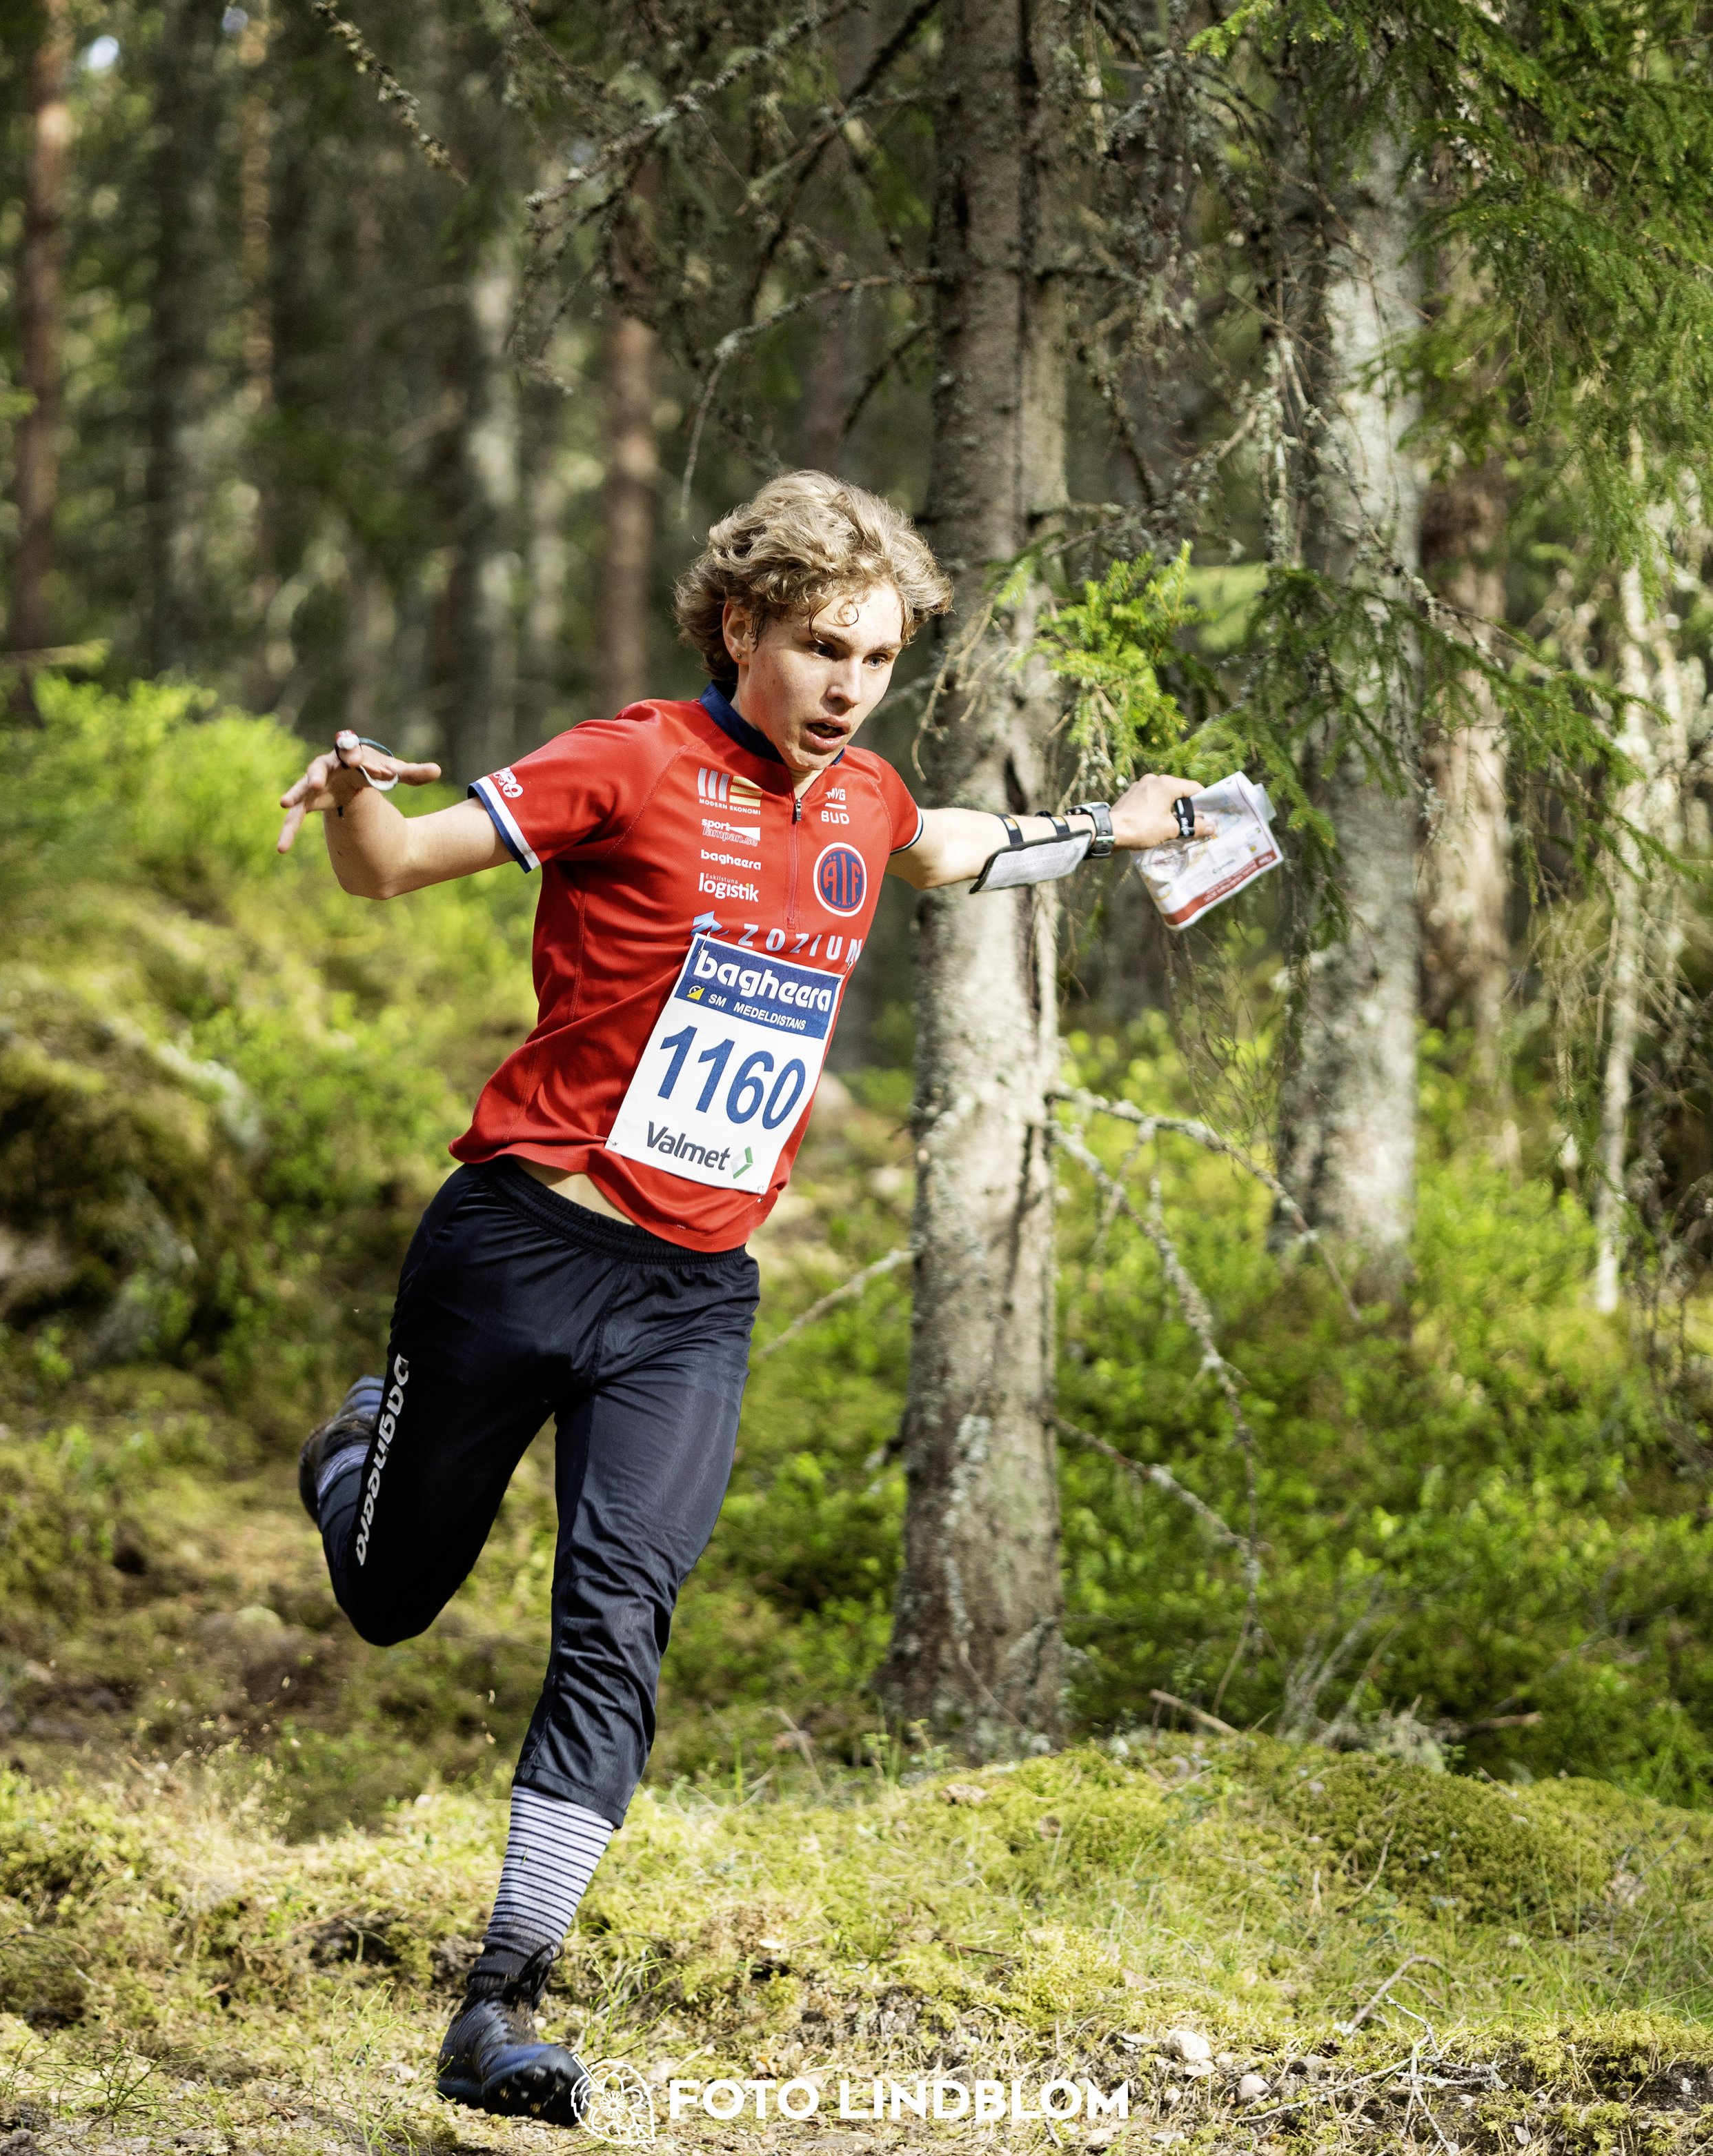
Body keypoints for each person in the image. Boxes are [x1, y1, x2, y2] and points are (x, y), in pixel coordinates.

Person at [275, 471, 1205, 2128]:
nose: (850, 685)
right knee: (390, 1597)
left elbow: (948, 850)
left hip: (690, 1298)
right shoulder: (626, 757)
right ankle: (355, 1458)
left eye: (879, 655)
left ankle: (501, 2001)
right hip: (515, 1250)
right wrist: (352, 792)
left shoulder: (859, 798)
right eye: (820, 649)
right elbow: (393, 865)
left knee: (616, 1617)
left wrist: (1111, 830)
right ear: (738, 629)